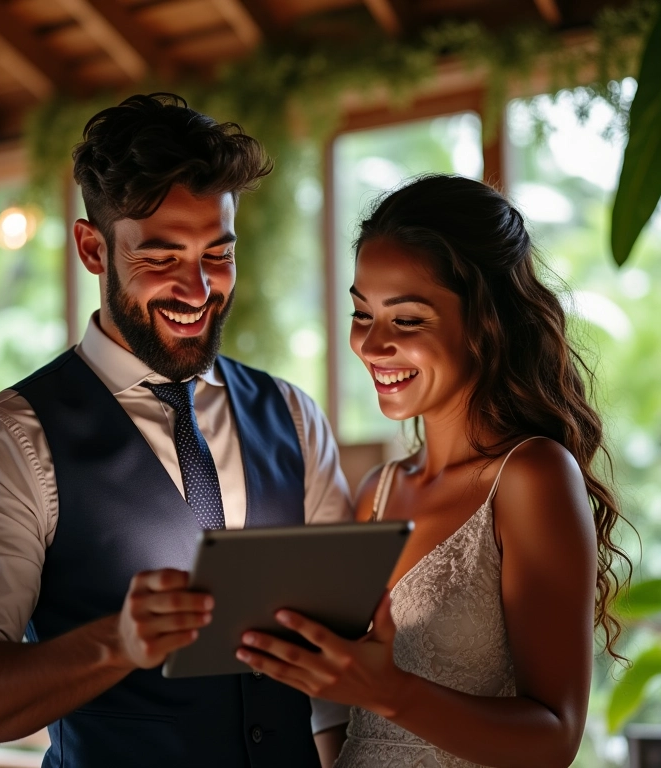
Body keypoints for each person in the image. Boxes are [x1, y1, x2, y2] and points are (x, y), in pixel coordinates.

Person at [0, 93, 352, 768]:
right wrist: (115, 642)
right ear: (93, 249)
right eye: (164, 257)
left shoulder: (294, 418)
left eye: (218, 253)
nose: (199, 287)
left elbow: (333, 679)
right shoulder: (3, 443)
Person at [235, 174, 630, 767]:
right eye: (361, 312)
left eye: (408, 320)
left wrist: (387, 692)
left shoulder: (531, 477)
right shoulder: (376, 491)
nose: (371, 344)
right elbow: (341, 711)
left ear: (485, 321)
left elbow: (557, 737)